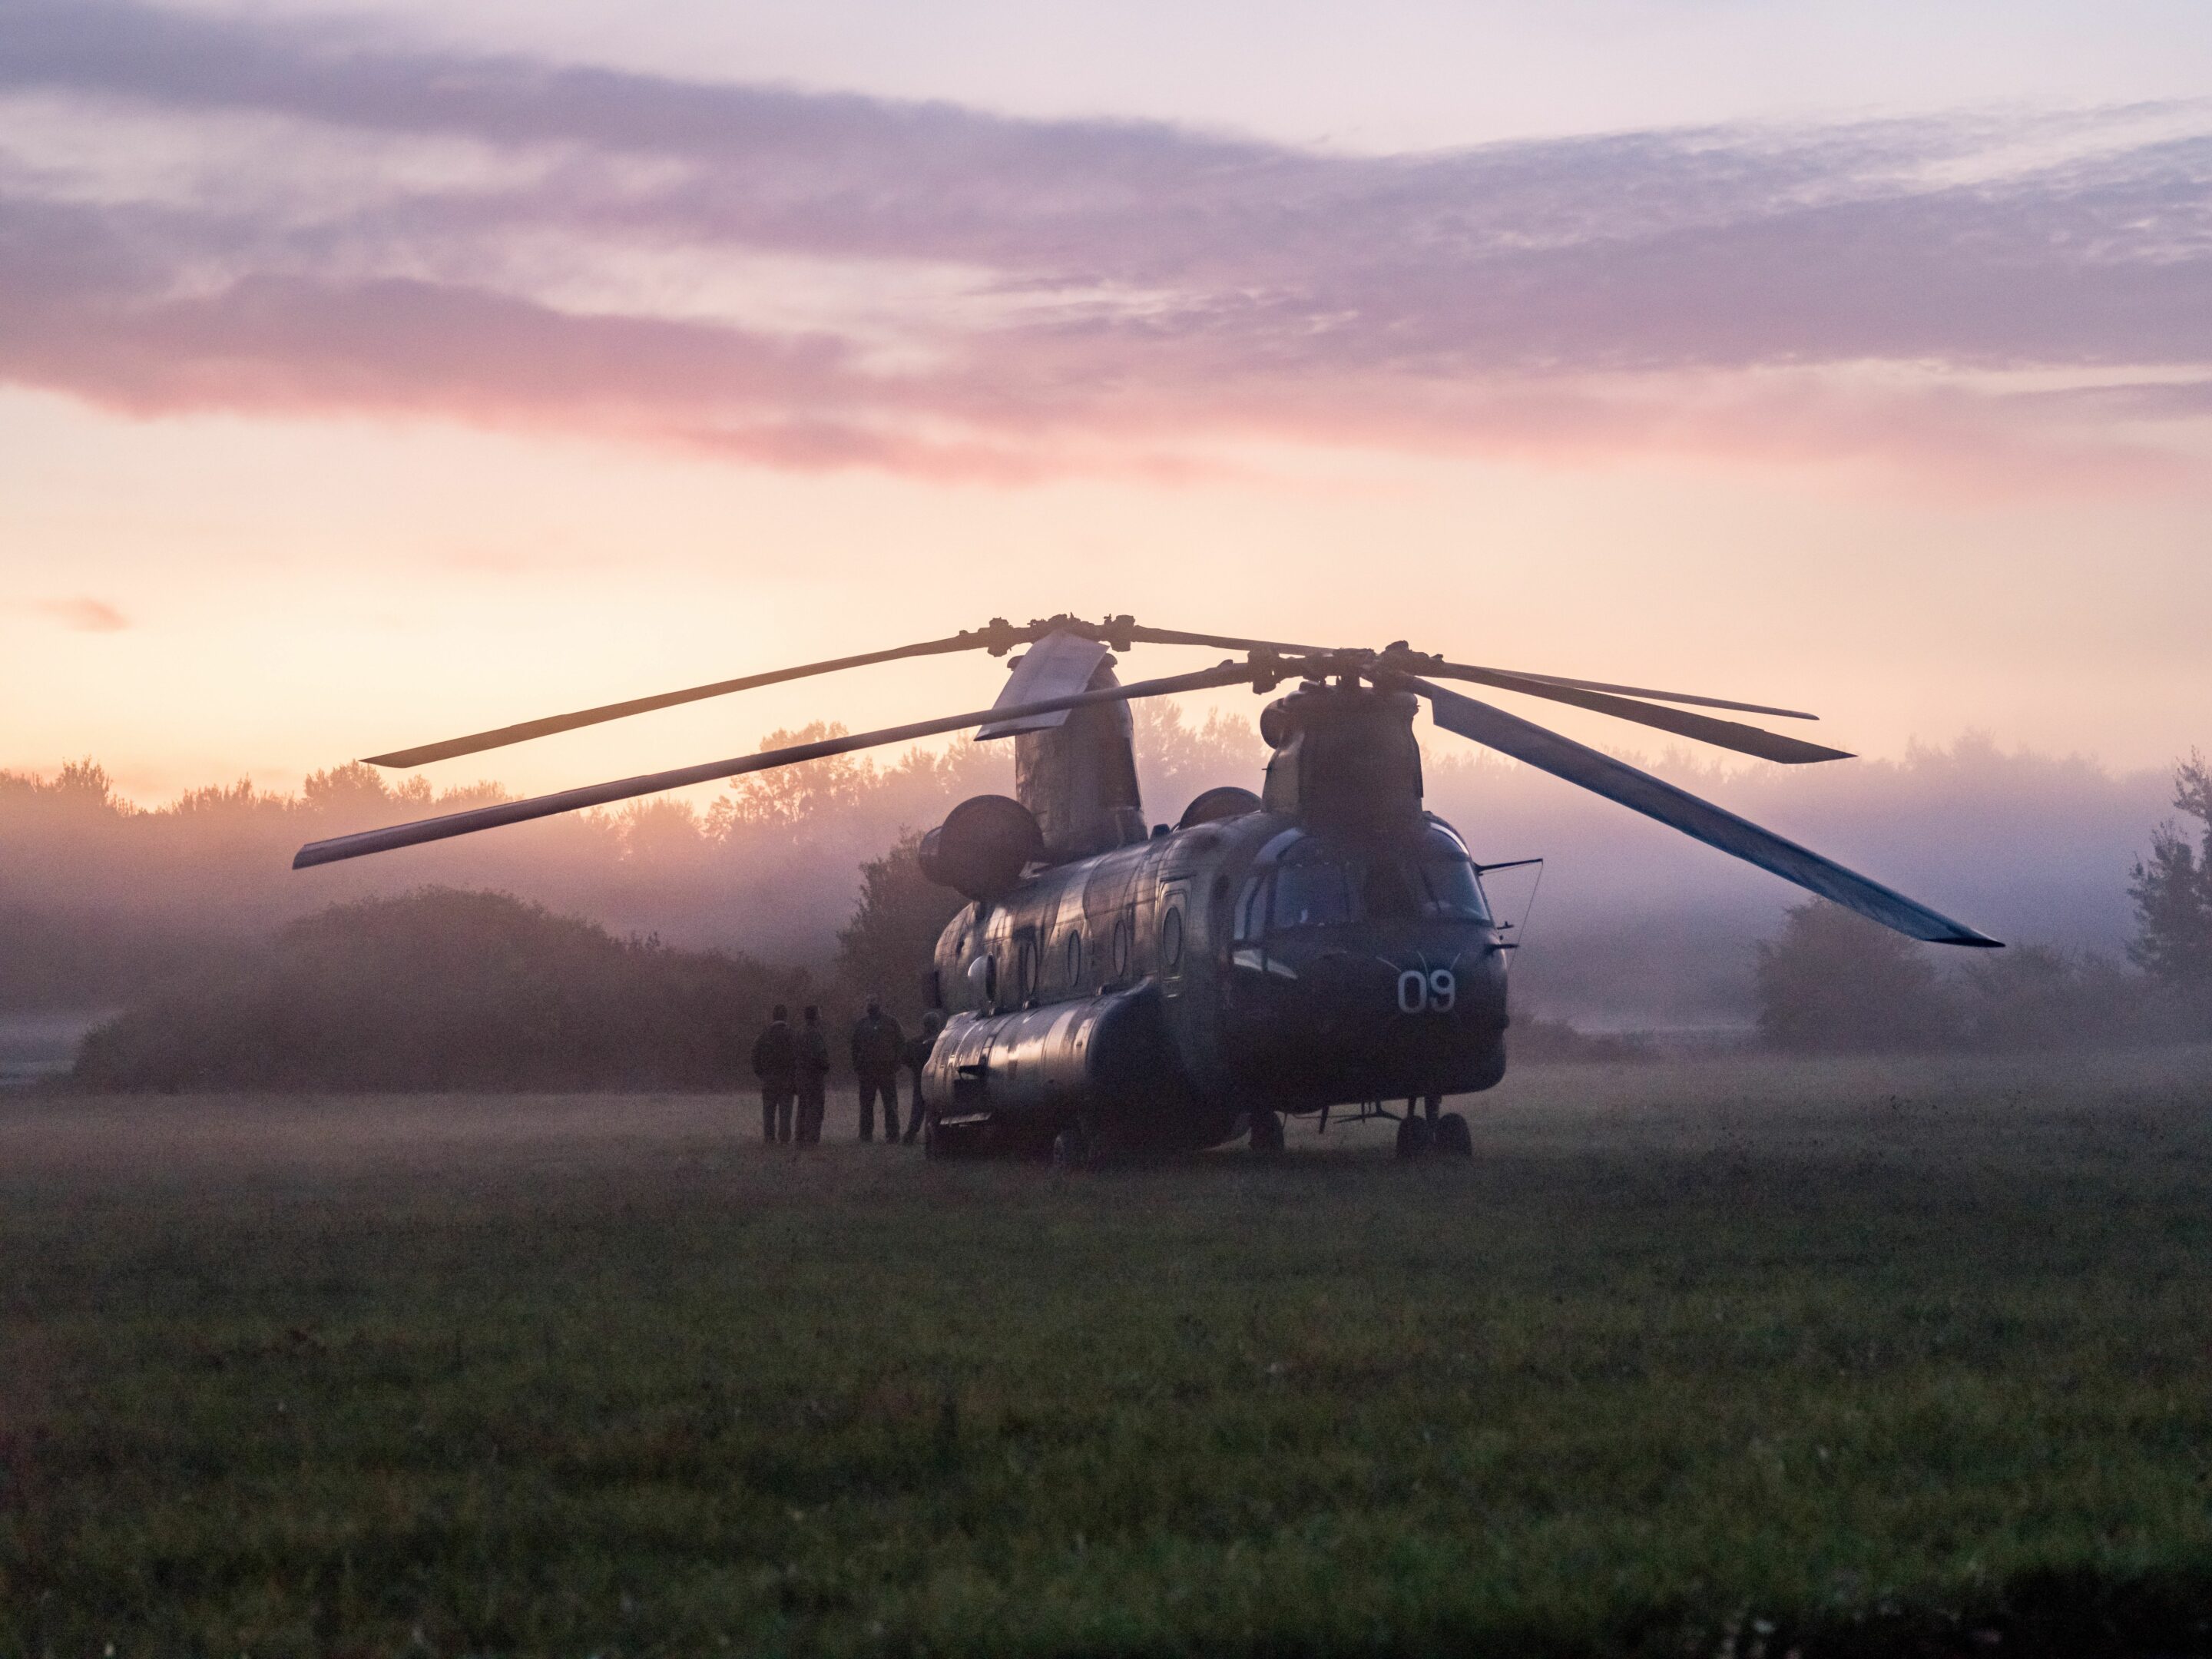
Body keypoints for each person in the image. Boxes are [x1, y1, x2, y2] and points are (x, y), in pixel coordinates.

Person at [849, 996, 905, 1143]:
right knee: (866, 1106)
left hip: (887, 1070)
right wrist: (857, 1066)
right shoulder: (861, 1024)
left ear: (879, 1005)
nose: (871, 1004)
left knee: (890, 1105)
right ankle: (865, 1135)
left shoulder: (891, 1022)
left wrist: (897, 1063)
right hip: (867, 1071)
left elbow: (900, 1044)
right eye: (869, 1002)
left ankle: (893, 1135)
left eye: (874, 1001)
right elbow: (854, 1047)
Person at [750, 1004, 796, 1144]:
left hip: (769, 1079)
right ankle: (784, 1138)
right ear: (786, 1017)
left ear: (773, 1017)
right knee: (785, 1111)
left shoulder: (764, 1035)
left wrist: (761, 1074)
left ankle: (769, 1137)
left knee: (769, 1111)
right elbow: (798, 1056)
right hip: (787, 1079)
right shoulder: (792, 1035)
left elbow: (754, 1055)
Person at [900, 1008, 944, 1145]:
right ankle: (937, 1135)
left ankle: (910, 1136)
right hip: (938, 1079)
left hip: (920, 1079)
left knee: (918, 1109)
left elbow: (904, 1057)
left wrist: (915, 1068)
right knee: (939, 1108)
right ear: (937, 1024)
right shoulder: (942, 1042)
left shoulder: (915, 1043)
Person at [793, 1005, 831, 1145]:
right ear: (815, 1016)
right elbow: (820, 1056)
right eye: (819, 1013)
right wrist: (826, 1066)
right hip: (814, 1077)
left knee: (802, 1107)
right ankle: (812, 1138)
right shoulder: (814, 1034)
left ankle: (800, 1137)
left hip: (801, 1076)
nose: (821, 1016)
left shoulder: (799, 1032)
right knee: (815, 1108)